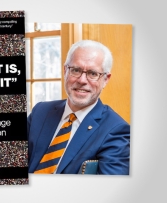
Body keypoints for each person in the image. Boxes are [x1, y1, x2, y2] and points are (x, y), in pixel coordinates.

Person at [27, 40, 130, 175]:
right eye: (75, 70)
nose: (82, 80)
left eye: (93, 73)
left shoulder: (117, 130)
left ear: (105, 79)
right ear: (65, 71)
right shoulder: (40, 112)